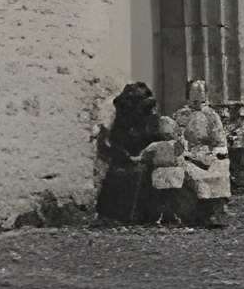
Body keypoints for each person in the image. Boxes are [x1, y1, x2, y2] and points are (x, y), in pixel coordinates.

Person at [95, 83, 161, 225]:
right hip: (122, 156)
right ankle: (111, 215)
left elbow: (154, 138)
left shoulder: (149, 117)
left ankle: (140, 215)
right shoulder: (118, 114)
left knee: (142, 173)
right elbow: (107, 143)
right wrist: (123, 154)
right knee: (121, 173)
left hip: (142, 156)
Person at [175, 78, 233, 229]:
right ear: (188, 95)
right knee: (191, 170)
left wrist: (215, 153)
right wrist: (185, 150)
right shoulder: (182, 115)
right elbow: (176, 138)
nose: (197, 98)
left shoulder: (212, 116)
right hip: (188, 154)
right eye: (194, 94)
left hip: (208, 153)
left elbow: (219, 139)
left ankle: (217, 212)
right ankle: (197, 213)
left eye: (201, 93)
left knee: (220, 168)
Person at [141, 113, 188, 226]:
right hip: (172, 172)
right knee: (173, 196)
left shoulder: (154, 145)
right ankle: (172, 215)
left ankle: (162, 216)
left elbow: (144, 155)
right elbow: (182, 155)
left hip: (161, 172)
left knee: (162, 196)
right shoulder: (176, 145)